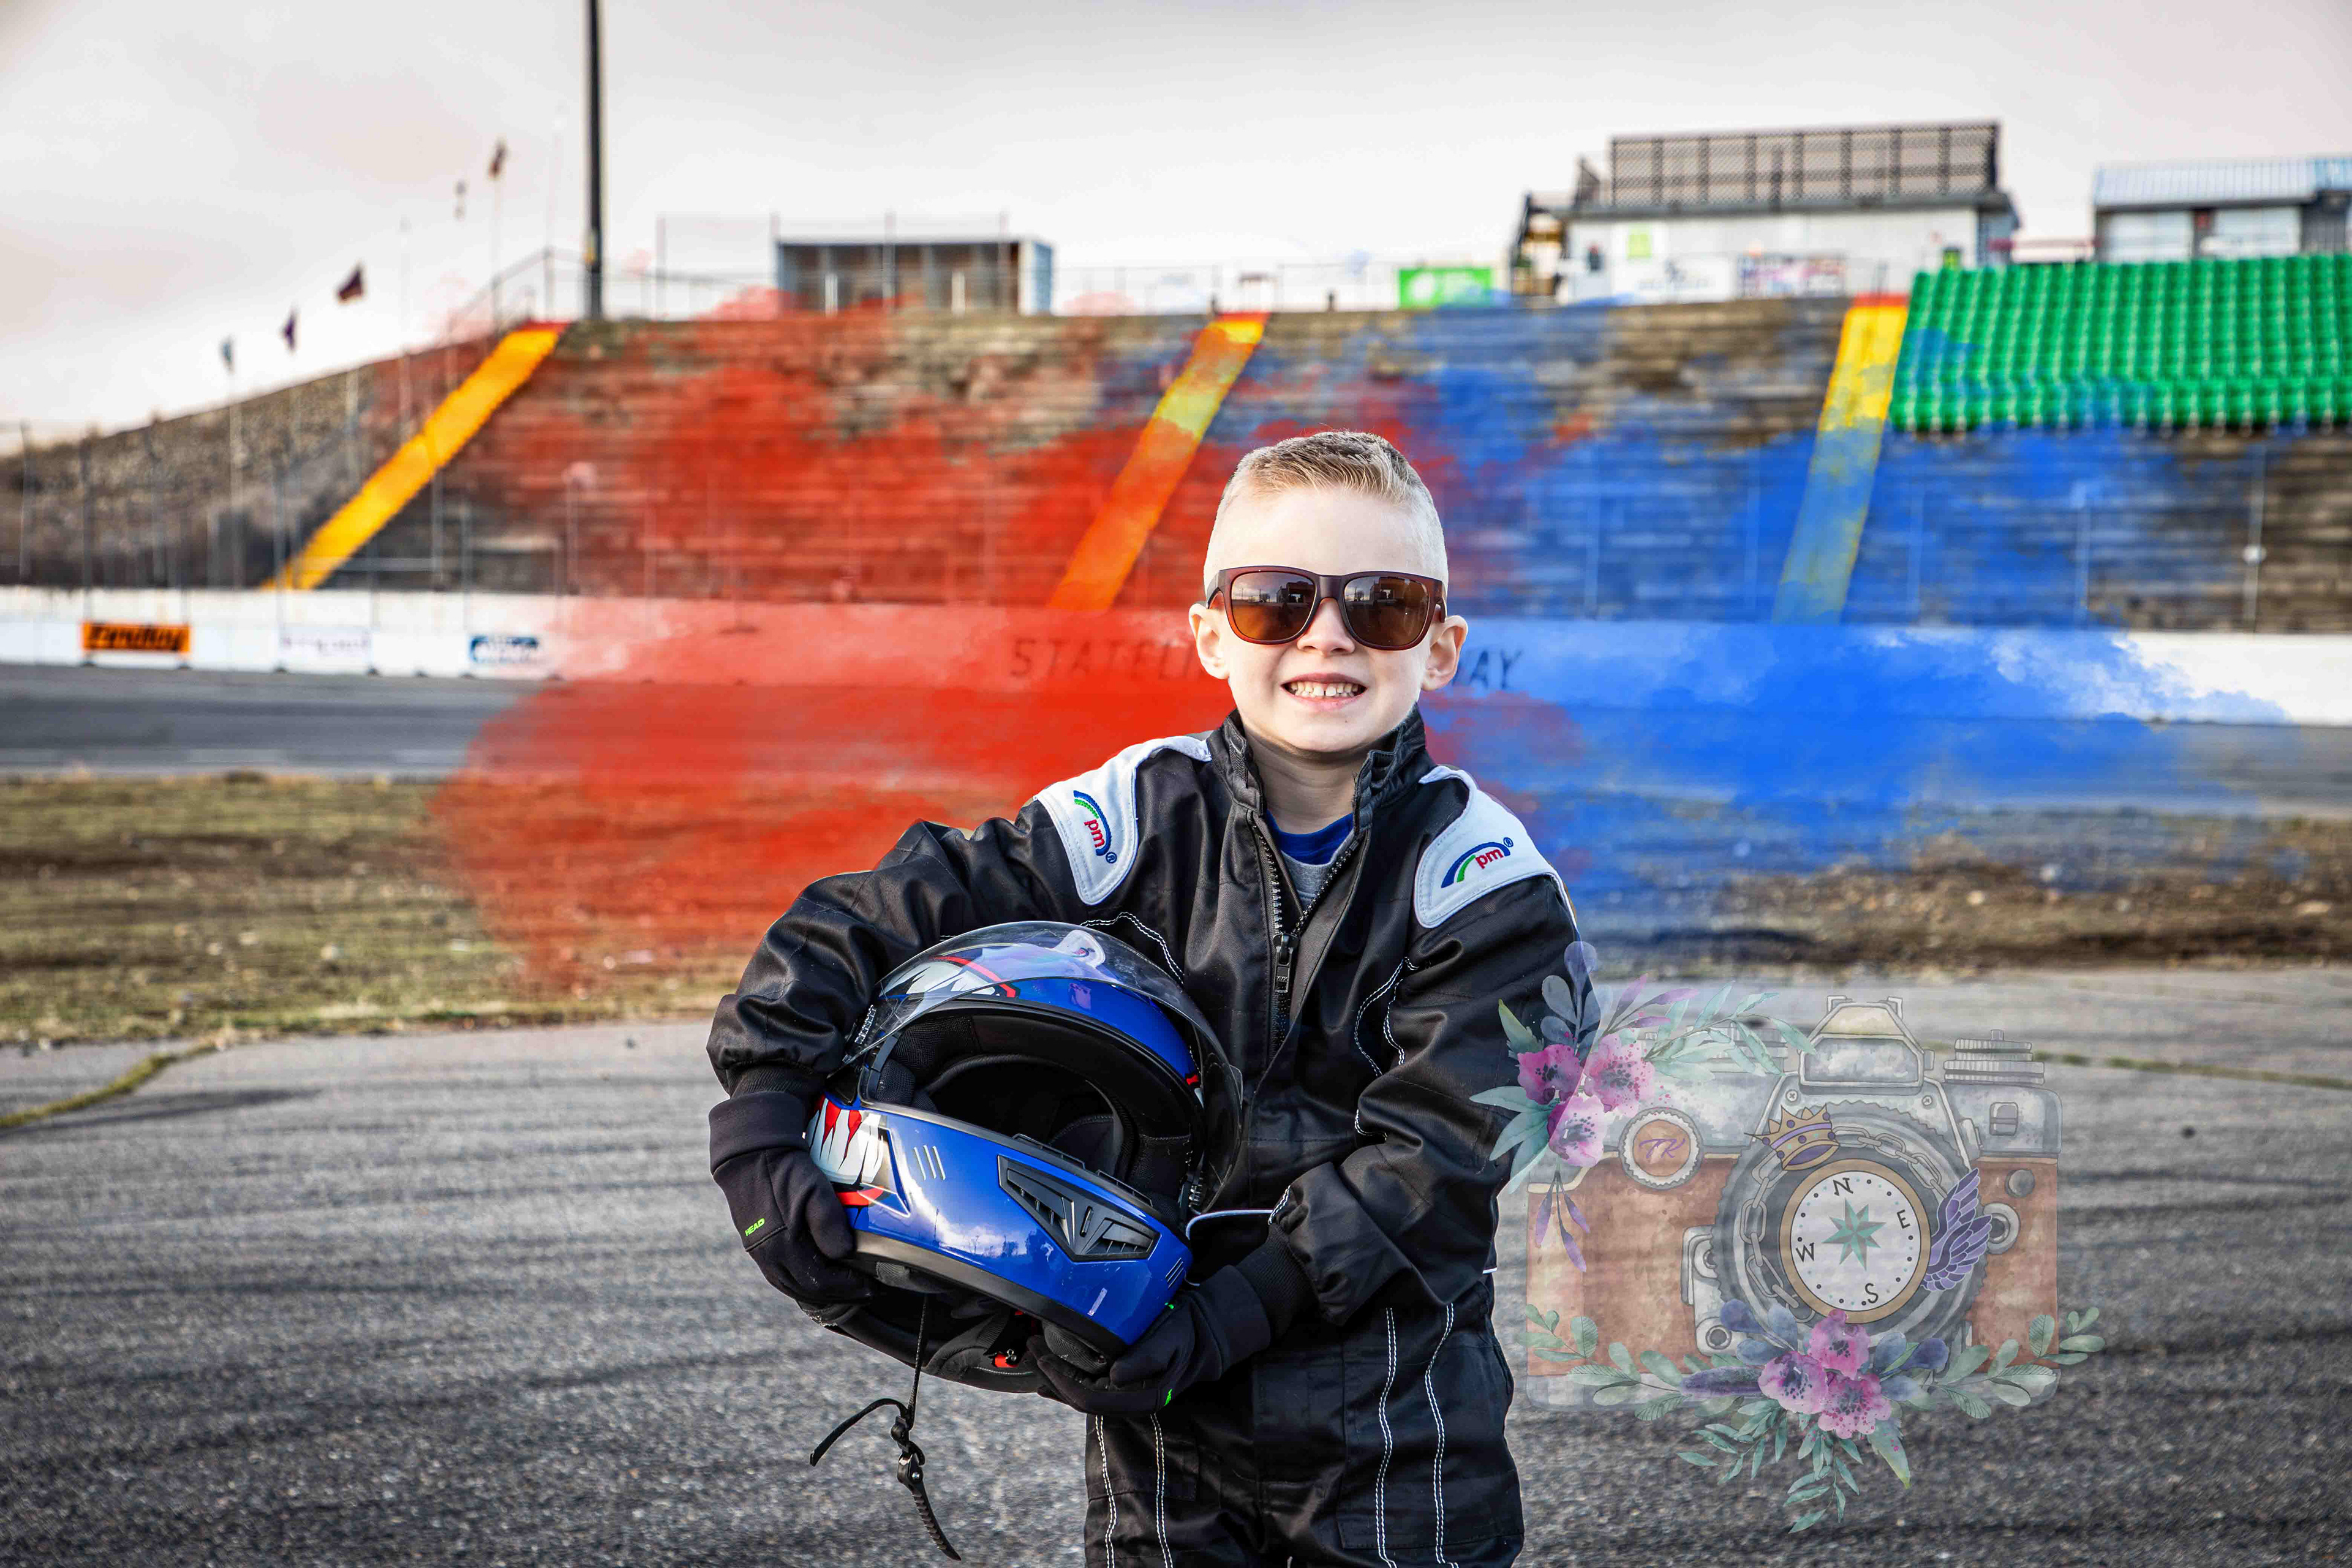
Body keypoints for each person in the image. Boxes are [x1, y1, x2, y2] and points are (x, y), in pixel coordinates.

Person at [707, 429, 1580, 1566]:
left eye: (1384, 604)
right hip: (1155, 1411)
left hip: (1398, 1428)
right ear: (1211, 632)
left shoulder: (1491, 885)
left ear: (1443, 645)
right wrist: (761, 1116)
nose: (1327, 634)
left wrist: (1232, 1313)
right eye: (1276, 601)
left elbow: (1437, 1159)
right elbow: (877, 914)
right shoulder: (1124, 817)